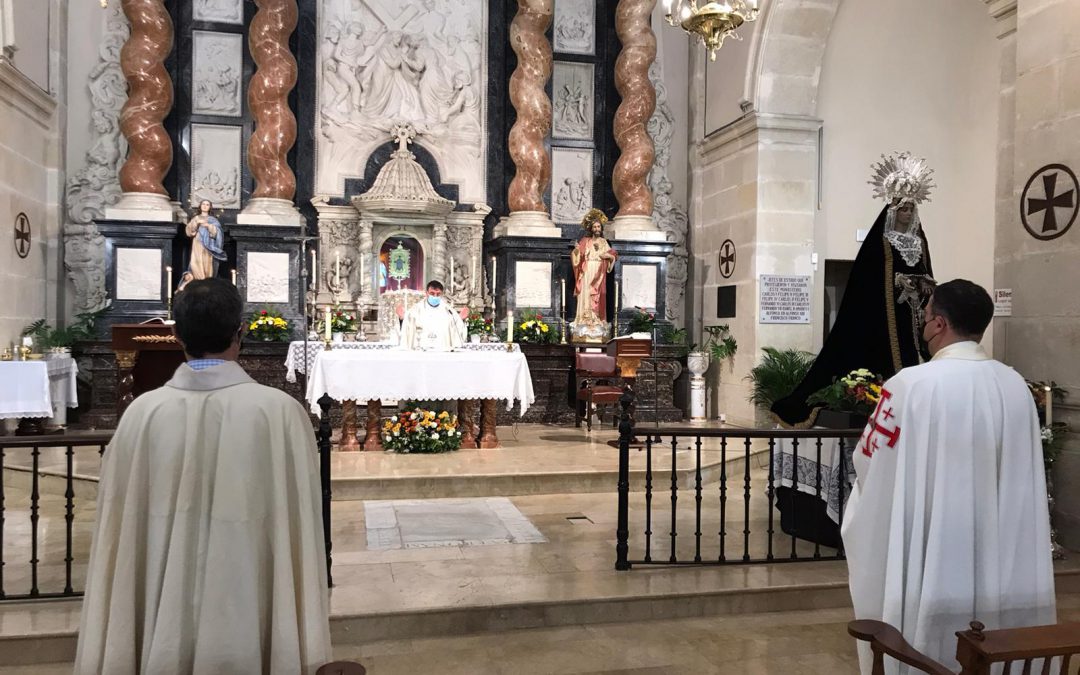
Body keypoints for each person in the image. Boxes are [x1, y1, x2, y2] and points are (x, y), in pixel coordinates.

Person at [75, 279, 332, 675]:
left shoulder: (142, 415)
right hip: (250, 598)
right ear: (240, 330)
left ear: (176, 334)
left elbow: (121, 530)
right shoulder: (279, 413)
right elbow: (298, 529)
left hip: (162, 599)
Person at [842, 279, 1056, 674]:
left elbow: (870, 464)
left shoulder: (911, 384)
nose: (924, 327)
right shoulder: (1014, 385)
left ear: (938, 324)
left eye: (925, 318)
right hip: (996, 537)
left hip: (931, 541)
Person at [771, 152, 936, 428]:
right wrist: (897, 284)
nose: (907, 214)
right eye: (902, 208)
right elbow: (868, 284)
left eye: (911, 208)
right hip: (885, 317)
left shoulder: (919, 242)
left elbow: (927, 273)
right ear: (893, 211)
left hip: (915, 315)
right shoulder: (880, 243)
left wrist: (923, 286)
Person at [571, 208, 617, 329]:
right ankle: (583, 318)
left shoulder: (604, 242)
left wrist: (609, 256)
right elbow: (577, 257)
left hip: (598, 271)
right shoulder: (585, 241)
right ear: (591, 228)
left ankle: (595, 318)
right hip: (586, 271)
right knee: (585, 293)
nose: (597, 229)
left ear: (601, 228)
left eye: (598, 227)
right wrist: (576, 250)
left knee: (596, 294)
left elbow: (612, 256)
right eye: (594, 227)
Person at [399, 279, 467, 351]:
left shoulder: (449, 311)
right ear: (426, 293)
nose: (435, 296)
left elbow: (458, 330)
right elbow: (407, 330)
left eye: (438, 294)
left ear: (442, 294)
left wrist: (461, 319)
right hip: (421, 353)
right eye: (432, 293)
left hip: (443, 353)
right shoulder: (415, 311)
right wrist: (402, 318)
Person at [178, 199, 227, 292]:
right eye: (203, 204)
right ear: (200, 206)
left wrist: (209, 226)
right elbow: (189, 231)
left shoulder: (213, 220)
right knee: (195, 261)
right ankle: (197, 280)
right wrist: (196, 223)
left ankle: (206, 281)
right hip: (198, 243)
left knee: (206, 263)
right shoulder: (196, 218)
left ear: (210, 207)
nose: (205, 206)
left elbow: (218, 232)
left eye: (207, 204)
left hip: (208, 245)